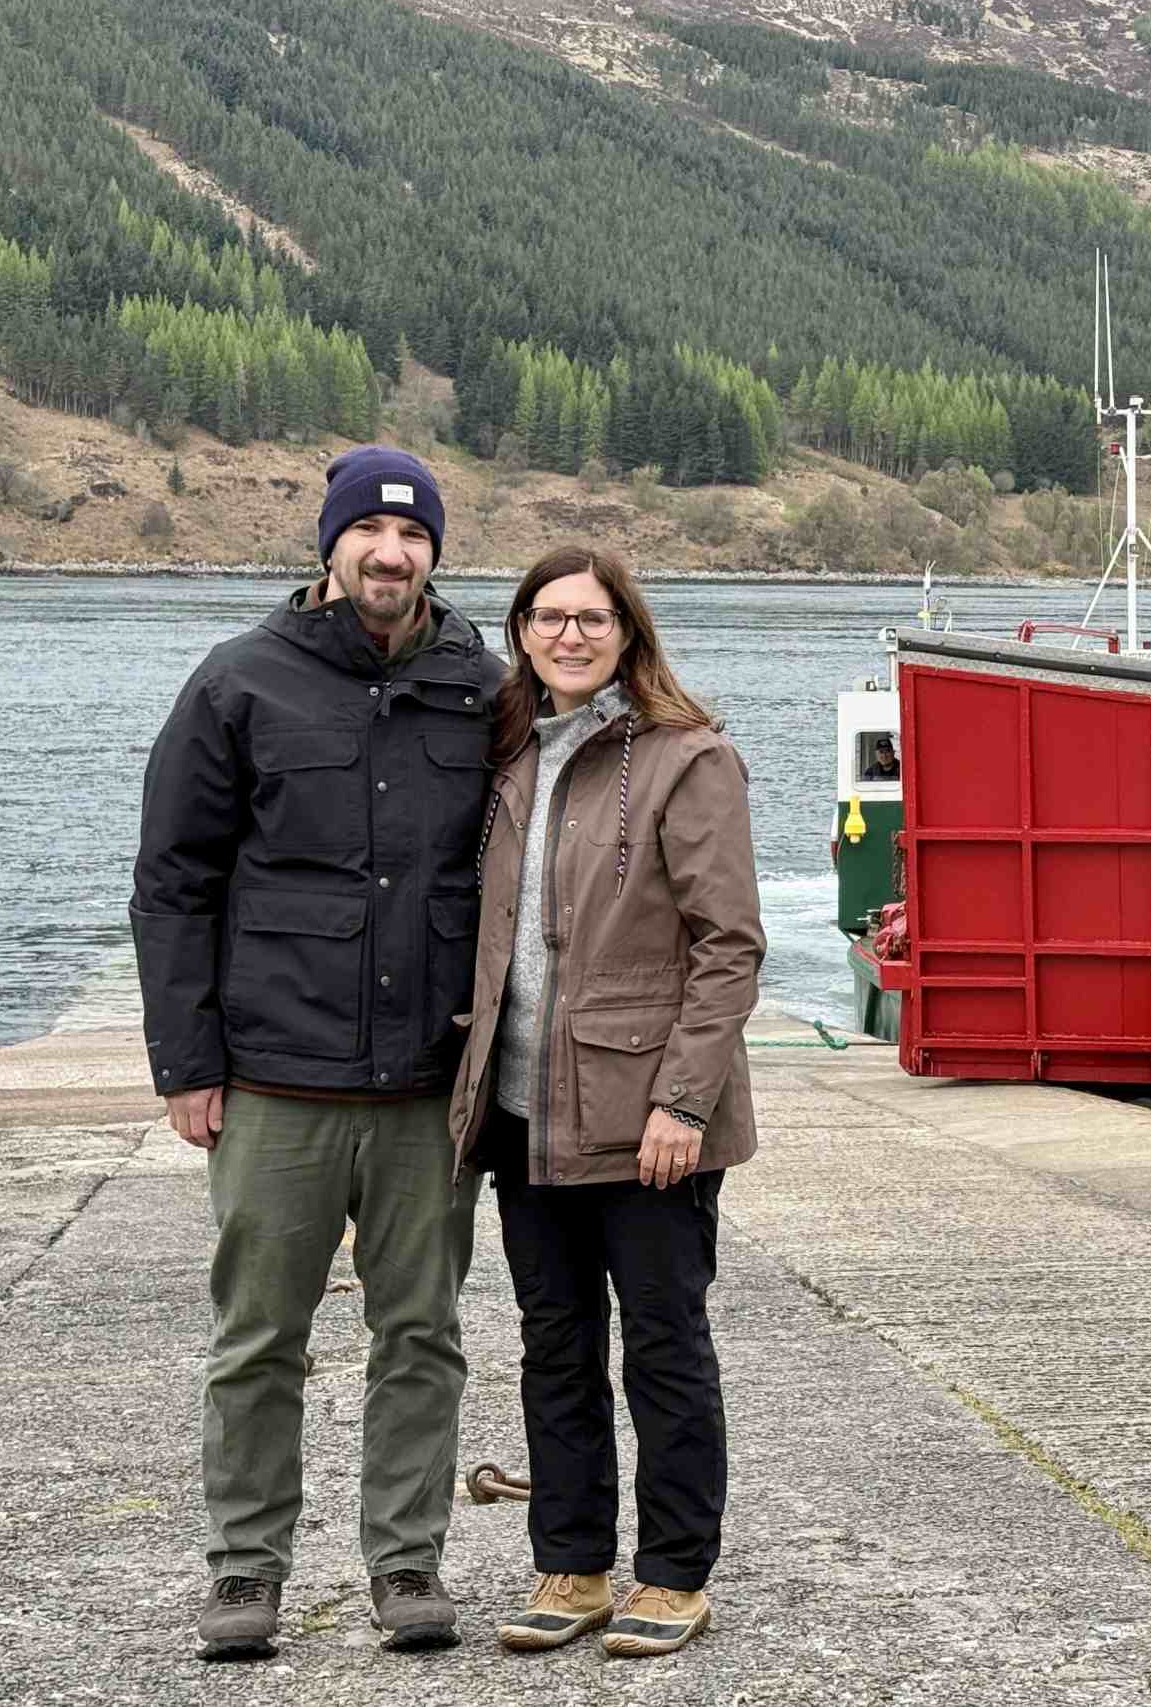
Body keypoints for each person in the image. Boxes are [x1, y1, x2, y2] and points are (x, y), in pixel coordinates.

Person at [130, 446, 504, 1661]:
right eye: (369, 537)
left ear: (434, 554)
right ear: (329, 546)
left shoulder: (478, 689)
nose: (390, 557)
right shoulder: (240, 683)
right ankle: (244, 1572)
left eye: (412, 540)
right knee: (256, 1341)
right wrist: (188, 1065)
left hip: (426, 1090)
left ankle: (407, 1565)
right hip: (274, 1085)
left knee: (423, 1339)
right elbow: (173, 885)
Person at [449, 546, 765, 1661]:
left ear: (628, 633)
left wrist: (682, 1101)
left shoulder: (688, 760)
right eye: (547, 617)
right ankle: (572, 1565)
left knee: (665, 1346)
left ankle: (675, 1576)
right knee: (554, 1343)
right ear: (521, 631)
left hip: (650, 1122)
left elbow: (729, 948)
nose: (568, 636)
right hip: (527, 1108)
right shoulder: (512, 760)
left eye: (591, 619)